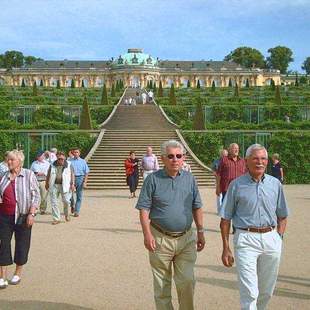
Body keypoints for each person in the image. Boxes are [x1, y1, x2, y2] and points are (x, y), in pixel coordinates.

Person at [136, 140, 205, 310]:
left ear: (184, 158)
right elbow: (144, 209)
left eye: (178, 156)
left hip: (186, 238)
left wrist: (201, 231)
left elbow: (197, 206)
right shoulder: (152, 179)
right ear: (163, 159)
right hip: (160, 238)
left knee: (187, 281)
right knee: (161, 286)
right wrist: (147, 234)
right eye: (171, 156)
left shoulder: (190, 179)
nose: (175, 159)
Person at [219, 144, 289, 310]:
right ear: (247, 161)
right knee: (249, 291)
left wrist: (279, 237)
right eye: (255, 158)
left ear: (267, 161)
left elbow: (283, 215)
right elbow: (225, 219)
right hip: (246, 238)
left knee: (266, 290)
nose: (260, 162)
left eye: (263, 158)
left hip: (271, 238)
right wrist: (226, 248)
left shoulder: (275, 184)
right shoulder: (236, 185)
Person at [0, 150, 40, 288]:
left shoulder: (28, 175)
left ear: (19, 161)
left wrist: (31, 214)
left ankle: (17, 273)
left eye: (12, 159)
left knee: (22, 244)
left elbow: (36, 196)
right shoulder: (3, 176)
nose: (9, 162)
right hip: (4, 216)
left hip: (24, 216)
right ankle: (2, 276)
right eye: (8, 159)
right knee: (3, 244)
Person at [46, 151, 75, 224]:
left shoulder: (69, 164)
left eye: (62, 159)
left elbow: (72, 174)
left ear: (64, 158)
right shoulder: (52, 164)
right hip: (54, 185)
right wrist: (47, 183)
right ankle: (56, 219)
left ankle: (66, 214)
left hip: (65, 185)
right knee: (54, 202)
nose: (60, 160)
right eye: (59, 159)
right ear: (57, 158)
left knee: (66, 201)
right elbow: (48, 174)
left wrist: (72, 184)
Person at [68, 148, 89, 217]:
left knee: (79, 196)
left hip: (80, 178)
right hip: (70, 179)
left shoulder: (83, 161)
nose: (76, 153)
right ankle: (72, 205)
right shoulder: (69, 161)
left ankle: (76, 211)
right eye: (74, 152)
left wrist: (85, 182)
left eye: (77, 152)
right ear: (73, 153)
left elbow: (86, 172)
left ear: (79, 153)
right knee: (70, 196)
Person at [30, 150, 50, 215]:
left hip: (44, 181)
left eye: (39, 156)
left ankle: (42, 209)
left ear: (43, 156)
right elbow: (31, 171)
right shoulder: (34, 163)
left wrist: (43, 173)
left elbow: (49, 173)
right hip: (35, 181)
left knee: (44, 197)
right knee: (34, 195)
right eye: (37, 156)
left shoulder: (47, 163)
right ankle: (34, 210)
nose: (38, 157)